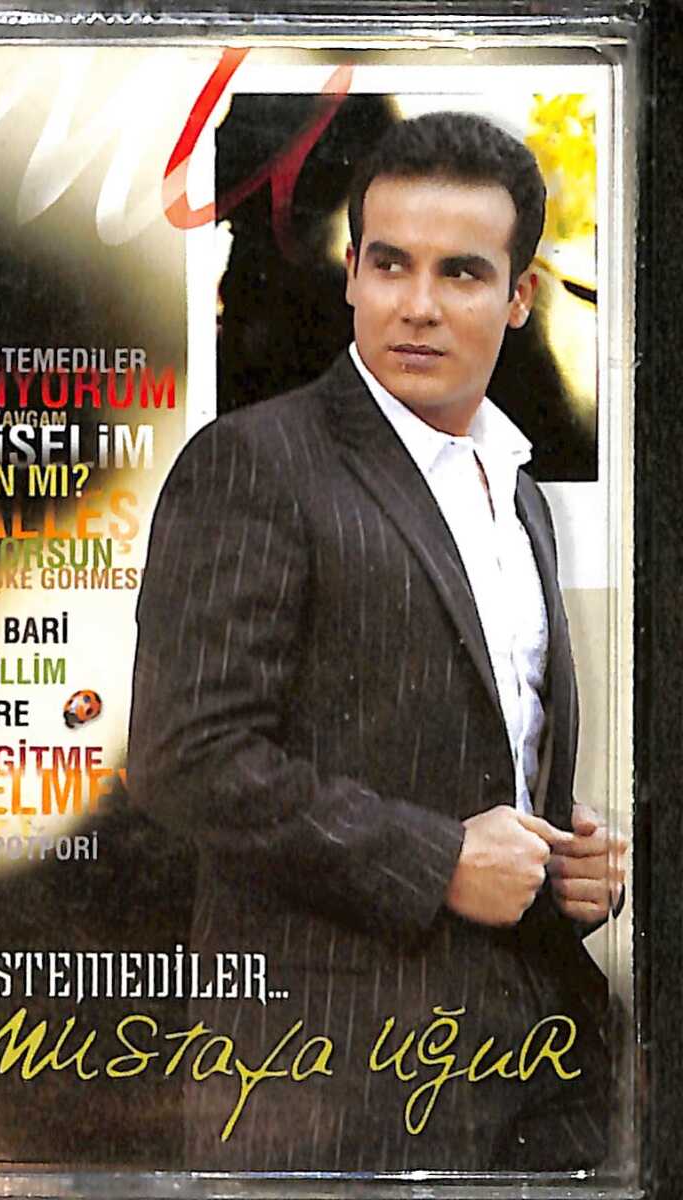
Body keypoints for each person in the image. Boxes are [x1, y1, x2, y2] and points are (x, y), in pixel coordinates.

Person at [129, 111, 627, 1173]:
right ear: (351, 273)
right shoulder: (255, 462)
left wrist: (569, 862)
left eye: (462, 273)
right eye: (391, 263)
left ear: (520, 296)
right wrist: (438, 861)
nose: (418, 305)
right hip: (327, 1090)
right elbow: (186, 756)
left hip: (534, 1075)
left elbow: (472, 750)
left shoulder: (522, 496)